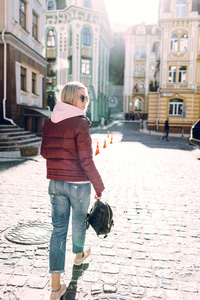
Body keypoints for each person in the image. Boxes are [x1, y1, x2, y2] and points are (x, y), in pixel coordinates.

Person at [41, 81, 105, 300]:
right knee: (78, 223)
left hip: (56, 183)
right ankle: (78, 256)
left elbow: (44, 152)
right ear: (72, 98)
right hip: (79, 184)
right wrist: (99, 185)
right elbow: (86, 160)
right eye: (82, 97)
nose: (86, 101)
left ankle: (55, 288)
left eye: (86, 97)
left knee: (58, 231)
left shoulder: (49, 121)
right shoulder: (80, 123)